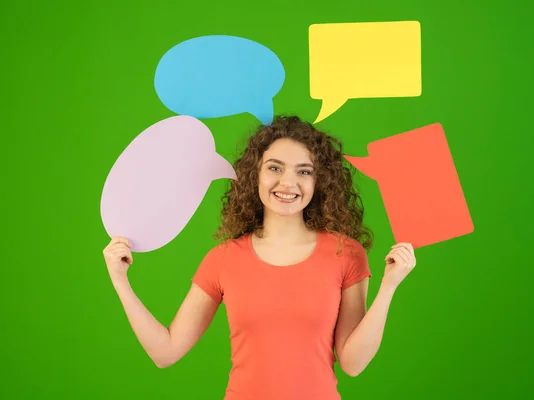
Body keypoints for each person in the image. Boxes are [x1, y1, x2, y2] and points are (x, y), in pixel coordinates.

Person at [103, 115, 417, 400]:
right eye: (275, 168)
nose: (288, 183)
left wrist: (389, 286)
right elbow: (165, 352)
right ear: (256, 174)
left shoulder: (345, 253)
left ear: (318, 181)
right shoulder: (223, 259)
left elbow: (353, 363)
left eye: (304, 171)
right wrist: (120, 282)